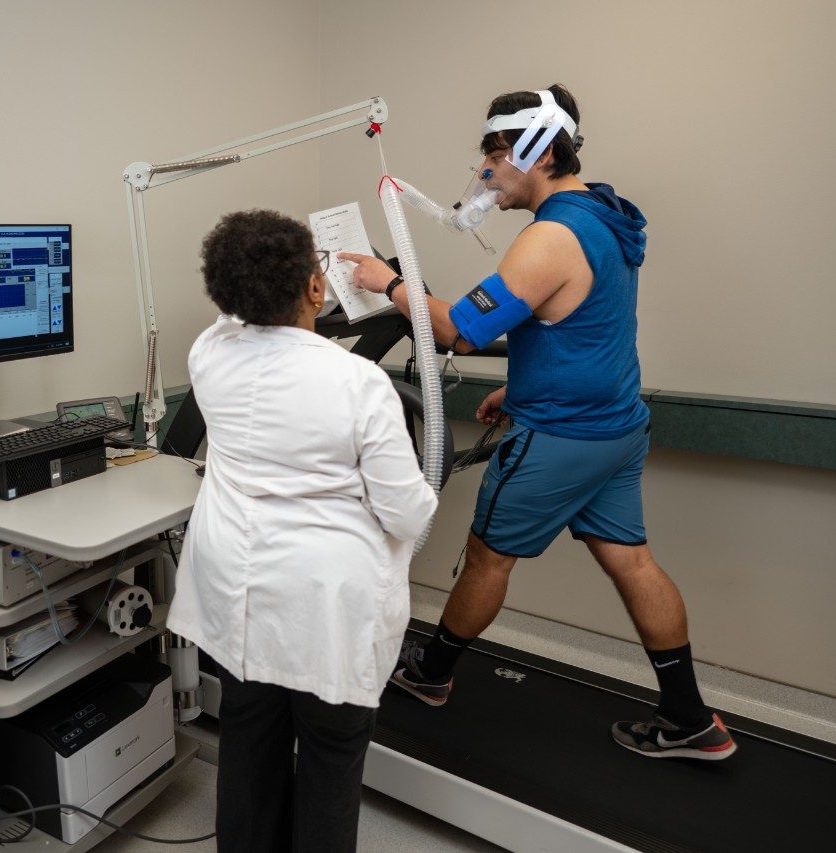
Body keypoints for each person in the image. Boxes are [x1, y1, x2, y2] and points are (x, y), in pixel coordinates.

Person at [339, 84, 736, 761]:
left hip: (560, 439)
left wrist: (390, 282)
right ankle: (689, 717)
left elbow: (460, 333)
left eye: (493, 157)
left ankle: (430, 676)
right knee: (633, 562)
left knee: (488, 557)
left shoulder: (550, 236)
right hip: (615, 428)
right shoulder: (603, 217)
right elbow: (581, 327)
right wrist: (520, 392)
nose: (486, 176)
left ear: (534, 150)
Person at [167, 209, 437, 852]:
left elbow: (235, 316)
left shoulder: (208, 356)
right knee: (329, 761)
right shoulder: (358, 383)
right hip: (325, 605)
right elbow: (409, 516)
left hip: (239, 591)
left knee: (249, 744)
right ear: (317, 289)